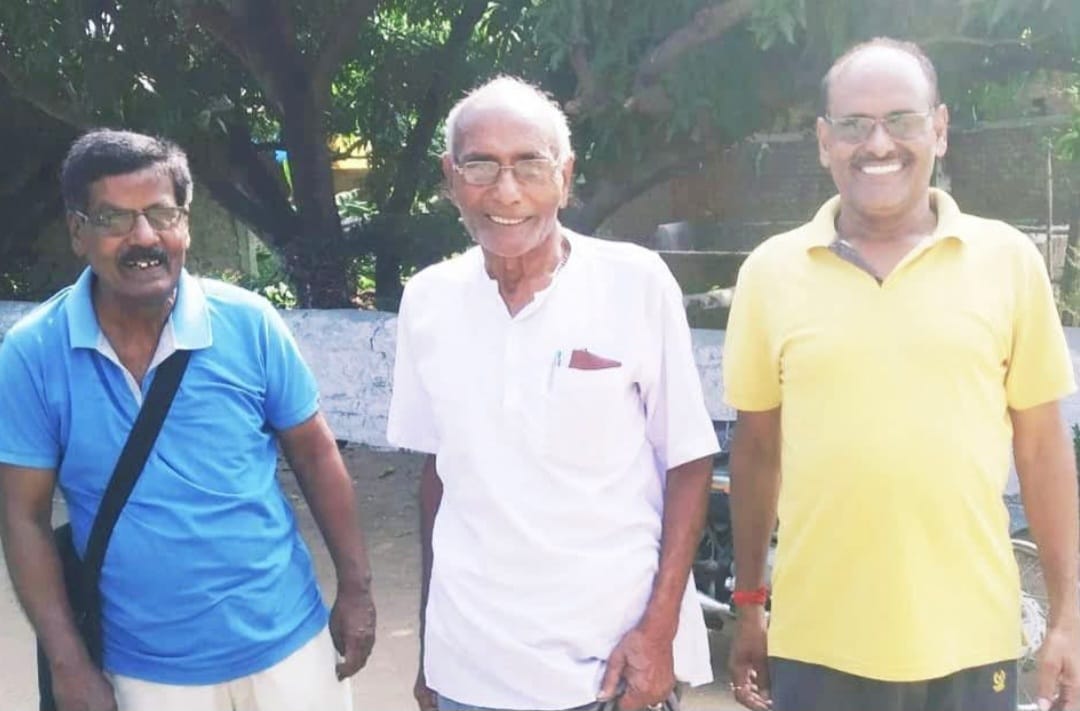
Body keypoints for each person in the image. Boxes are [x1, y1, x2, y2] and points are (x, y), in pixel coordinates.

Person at [723, 37, 1080, 711]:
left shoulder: (1007, 261)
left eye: (901, 120)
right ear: (824, 141)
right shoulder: (771, 272)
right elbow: (757, 449)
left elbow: (1041, 448)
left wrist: (1068, 618)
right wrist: (749, 604)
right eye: (854, 125)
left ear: (939, 129)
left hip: (972, 640)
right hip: (817, 644)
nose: (878, 143)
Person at [0, 130, 376, 711]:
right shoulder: (33, 354)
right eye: (115, 219)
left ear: (186, 224)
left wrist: (356, 589)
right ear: (78, 231)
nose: (144, 237)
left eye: (161, 214)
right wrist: (67, 661)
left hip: (290, 647)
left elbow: (315, 452)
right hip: (147, 672)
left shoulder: (248, 323)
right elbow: (23, 516)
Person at [386, 76, 719, 711]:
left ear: (564, 177)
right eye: (481, 165)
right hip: (470, 668)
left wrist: (659, 632)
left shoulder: (635, 283)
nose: (506, 192)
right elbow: (439, 477)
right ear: (450, 177)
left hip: (609, 668)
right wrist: (431, 646)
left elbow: (689, 461)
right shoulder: (427, 300)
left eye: (530, 165)